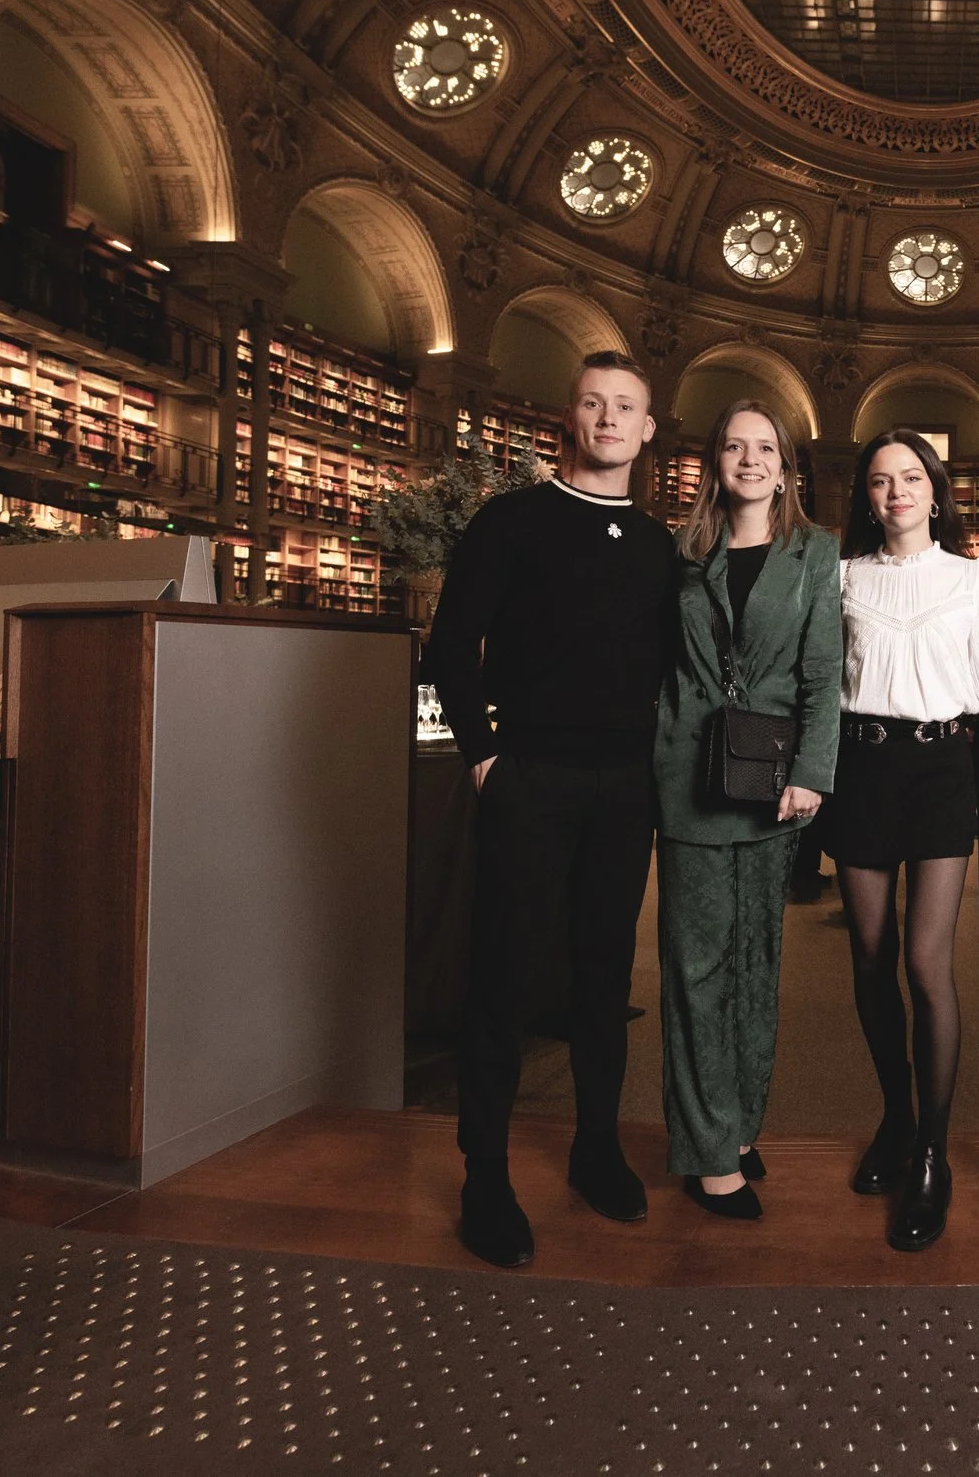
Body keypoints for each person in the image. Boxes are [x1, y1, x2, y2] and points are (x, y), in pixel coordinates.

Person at [427, 350, 680, 1268]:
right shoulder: (512, 520)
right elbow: (454, 641)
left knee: (603, 981)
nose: (609, 418)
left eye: (627, 407)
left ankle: (595, 1145)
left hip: (625, 786)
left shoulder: (657, 545)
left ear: (648, 429)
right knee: (502, 973)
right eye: (594, 403)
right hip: (529, 772)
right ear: (570, 417)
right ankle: (484, 1172)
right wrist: (485, 755)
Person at [654, 401, 841, 1221]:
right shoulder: (681, 554)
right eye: (734, 445)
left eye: (765, 447)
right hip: (686, 775)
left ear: (787, 466)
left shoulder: (813, 551)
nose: (750, 459)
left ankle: (734, 1127)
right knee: (695, 968)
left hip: (773, 782)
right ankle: (705, 1150)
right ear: (714, 463)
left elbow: (822, 673)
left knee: (756, 963)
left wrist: (812, 772)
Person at [823, 428, 979, 1251]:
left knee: (928, 964)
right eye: (881, 480)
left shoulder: (972, 577)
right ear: (867, 496)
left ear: (936, 490)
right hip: (860, 767)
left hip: (941, 769)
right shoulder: (841, 575)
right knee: (869, 951)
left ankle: (933, 1149)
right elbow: (822, 683)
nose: (897, 491)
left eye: (911, 477)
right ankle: (894, 1115)